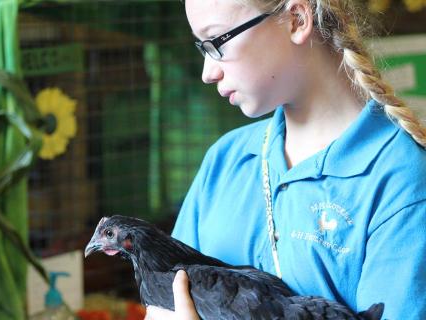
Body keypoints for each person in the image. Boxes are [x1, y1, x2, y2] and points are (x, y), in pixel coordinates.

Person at [145, 0, 426, 319]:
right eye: (202, 47)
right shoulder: (225, 161)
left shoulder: (403, 181)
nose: (209, 72)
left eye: (217, 41)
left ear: (296, 20)